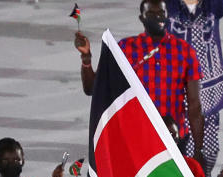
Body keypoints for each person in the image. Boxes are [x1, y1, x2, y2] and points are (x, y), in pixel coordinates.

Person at [76, 0, 206, 167]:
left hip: (173, 139)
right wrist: (86, 57)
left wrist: (198, 150)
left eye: (161, 13)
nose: (158, 17)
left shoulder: (185, 51)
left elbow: (195, 105)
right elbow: (92, 88)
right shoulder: (124, 48)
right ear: (141, 18)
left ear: (168, 15)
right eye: (151, 14)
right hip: (133, 139)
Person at [165, 0, 223, 177]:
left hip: (208, 88)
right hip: (176, 87)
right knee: (180, 148)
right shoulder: (167, 5)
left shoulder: (213, 5)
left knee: (210, 150)